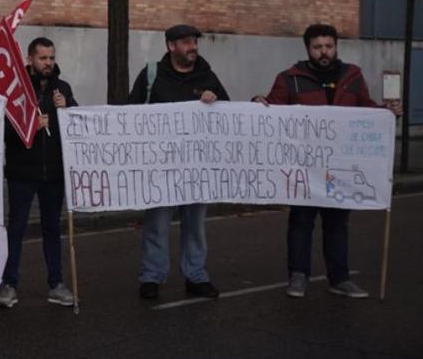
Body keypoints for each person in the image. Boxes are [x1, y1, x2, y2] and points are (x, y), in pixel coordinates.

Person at [256, 24, 404, 299]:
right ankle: (298, 276)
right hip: (304, 166)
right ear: (308, 49)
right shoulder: (290, 78)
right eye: (317, 47)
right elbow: (272, 109)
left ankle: (340, 278)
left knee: (337, 224)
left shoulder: (352, 75)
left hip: (340, 167)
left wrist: (386, 112)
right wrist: (258, 103)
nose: (323, 52)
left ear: (336, 46)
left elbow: (365, 109)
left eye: (328, 46)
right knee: (301, 222)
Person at [129, 24, 229, 301]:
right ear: (171, 46)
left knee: (195, 223)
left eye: (195, 41)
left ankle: (195, 275)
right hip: (161, 166)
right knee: (157, 223)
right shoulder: (152, 76)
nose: (193, 47)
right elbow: (131, 113)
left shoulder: (207, 76)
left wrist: (215, 101)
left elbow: (229, 113)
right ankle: (152, 276)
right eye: (186, 42)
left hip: (198, 167)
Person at [0, 37, 78, 309]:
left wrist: (67, 108)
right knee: (16, 229)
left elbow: (77, 125)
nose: (48, 63)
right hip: (22, 172)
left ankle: (56, 283)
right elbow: (3, 131)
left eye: (51, 58)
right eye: (43, 58)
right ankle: (9, 284)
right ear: (30, 59)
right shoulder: (16, 89)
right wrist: (30, 126)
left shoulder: (62, 88)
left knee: (52, 229)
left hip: (54, 173)